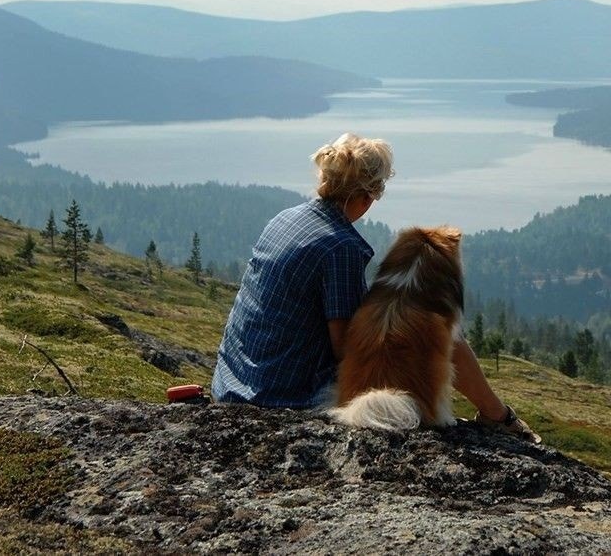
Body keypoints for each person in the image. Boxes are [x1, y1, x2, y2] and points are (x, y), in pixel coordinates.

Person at [211, 132, 538, 442]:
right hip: (283, 397)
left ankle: (495, 414)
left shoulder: (285, 218)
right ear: (368, 198)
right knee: (438, 328)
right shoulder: (340, 247)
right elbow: (346, 349)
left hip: (231, 384)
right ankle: (497, 416)